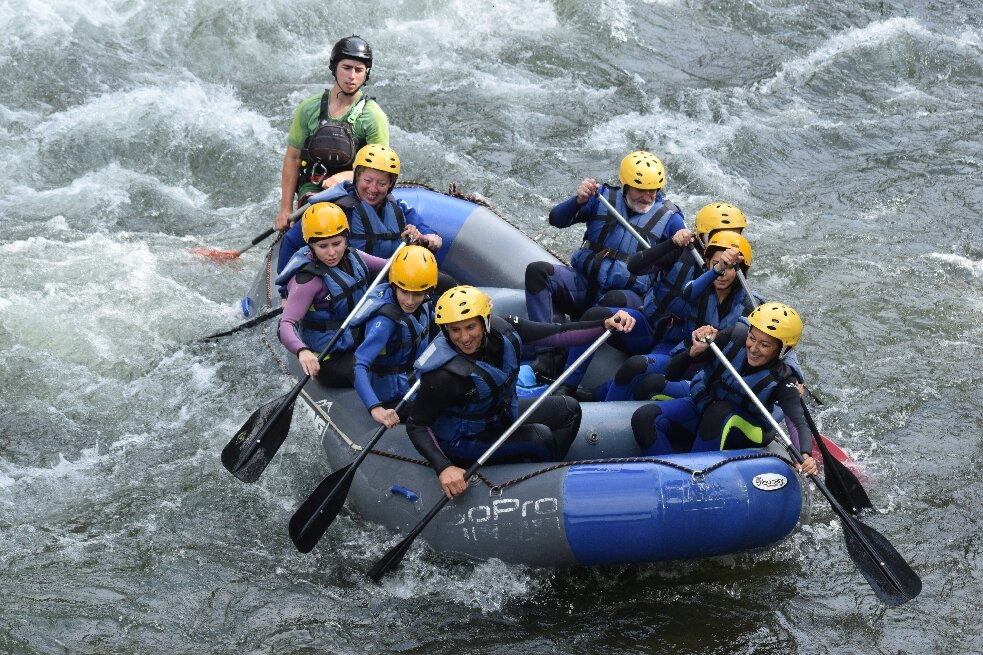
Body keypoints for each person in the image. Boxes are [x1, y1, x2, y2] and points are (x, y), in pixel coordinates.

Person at [406, 286, 636, 499]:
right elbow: (417, 424)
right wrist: (443, 467)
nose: (464, 338)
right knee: (541, 438)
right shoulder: (443, 377)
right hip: (464, 441)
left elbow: (558, 333)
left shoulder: (504, 330)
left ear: (484, 321)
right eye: (455, 330)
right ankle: (541, 489)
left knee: (568, 409)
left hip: (500, 416)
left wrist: (606, 324)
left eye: (470, 327)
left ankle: (538, 471)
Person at [524, 150, 686, 380]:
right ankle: (548, 355)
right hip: (587, 284)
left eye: (654, 189)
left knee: (612, 301)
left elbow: (683, 262)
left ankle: (571, 363)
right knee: (537, 271)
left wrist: (681, 239)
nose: (648, 197)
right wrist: (578, 200)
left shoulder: (671, 218)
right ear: (625, 184)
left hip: (629, 298)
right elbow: (556, 219)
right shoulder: (602, 197)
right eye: (641, 189)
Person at [629, 302, 818, 475]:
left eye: (765, 345)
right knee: (644, 417)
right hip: (706, 407)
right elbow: (672, 374)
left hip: (746, 427)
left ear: (781, 350)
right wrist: (693, 352)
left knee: (719, 411)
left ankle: (694, 474)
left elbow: (796, 420)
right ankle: (670, 474)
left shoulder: (785, 378)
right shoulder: (733, 337)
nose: (753, 348)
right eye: (752, 338)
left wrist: (805, 455)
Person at [601, 231, 759, 401]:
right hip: (685, 359)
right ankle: (599, 402)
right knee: (635, 366)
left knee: (649, 383)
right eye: (717, 265)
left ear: (741, 270)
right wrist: (717, 268)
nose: (723, 274)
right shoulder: (699, 286)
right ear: (708, 264)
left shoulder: (753, 305)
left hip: (714, 373)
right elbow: (688, 292)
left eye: (729, 268)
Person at [275, 35, 389, 231]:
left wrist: (348, 176)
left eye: (358, 70)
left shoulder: (373, 116)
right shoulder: (308, 108)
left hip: (357, 190)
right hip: (314, 187)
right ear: (334, 68)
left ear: (366, 74)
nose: (352, 76)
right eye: (346, 68)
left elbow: (381, 170)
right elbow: (293, 158)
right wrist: (285, 209)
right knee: (318, 213)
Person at [277, 144, 442, 275]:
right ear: (356, 177)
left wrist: (427, 236)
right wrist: (285, 292)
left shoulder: (398, 207)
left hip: (388, 283)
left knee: (445, 282)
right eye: (368, 180)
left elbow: (423, 228)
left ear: (391, 185)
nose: (373, 189)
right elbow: (291, 241)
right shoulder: (333, 209)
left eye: (382, 183)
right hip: (344, 287)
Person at [276, 202, 387, 386]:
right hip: (330, 359)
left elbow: (391, 265)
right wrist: (302, 351)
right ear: (310, 245)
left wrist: (415, 248)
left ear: (346, 238)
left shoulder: (354, 257)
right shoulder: (307, 281)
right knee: (372, 369)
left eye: (337, 243)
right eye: (323, 246)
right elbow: (286, 324)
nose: (332, 252)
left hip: (358, 341)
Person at [350, 245, 438, 428]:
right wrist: (375, 408)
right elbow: (358, 365)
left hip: (414, 380)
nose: (410, 301)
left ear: (428, 290)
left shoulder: (426, 303)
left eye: (418, 294)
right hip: (392, 396)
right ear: (394, 285)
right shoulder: (385, 322)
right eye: (404, 291)